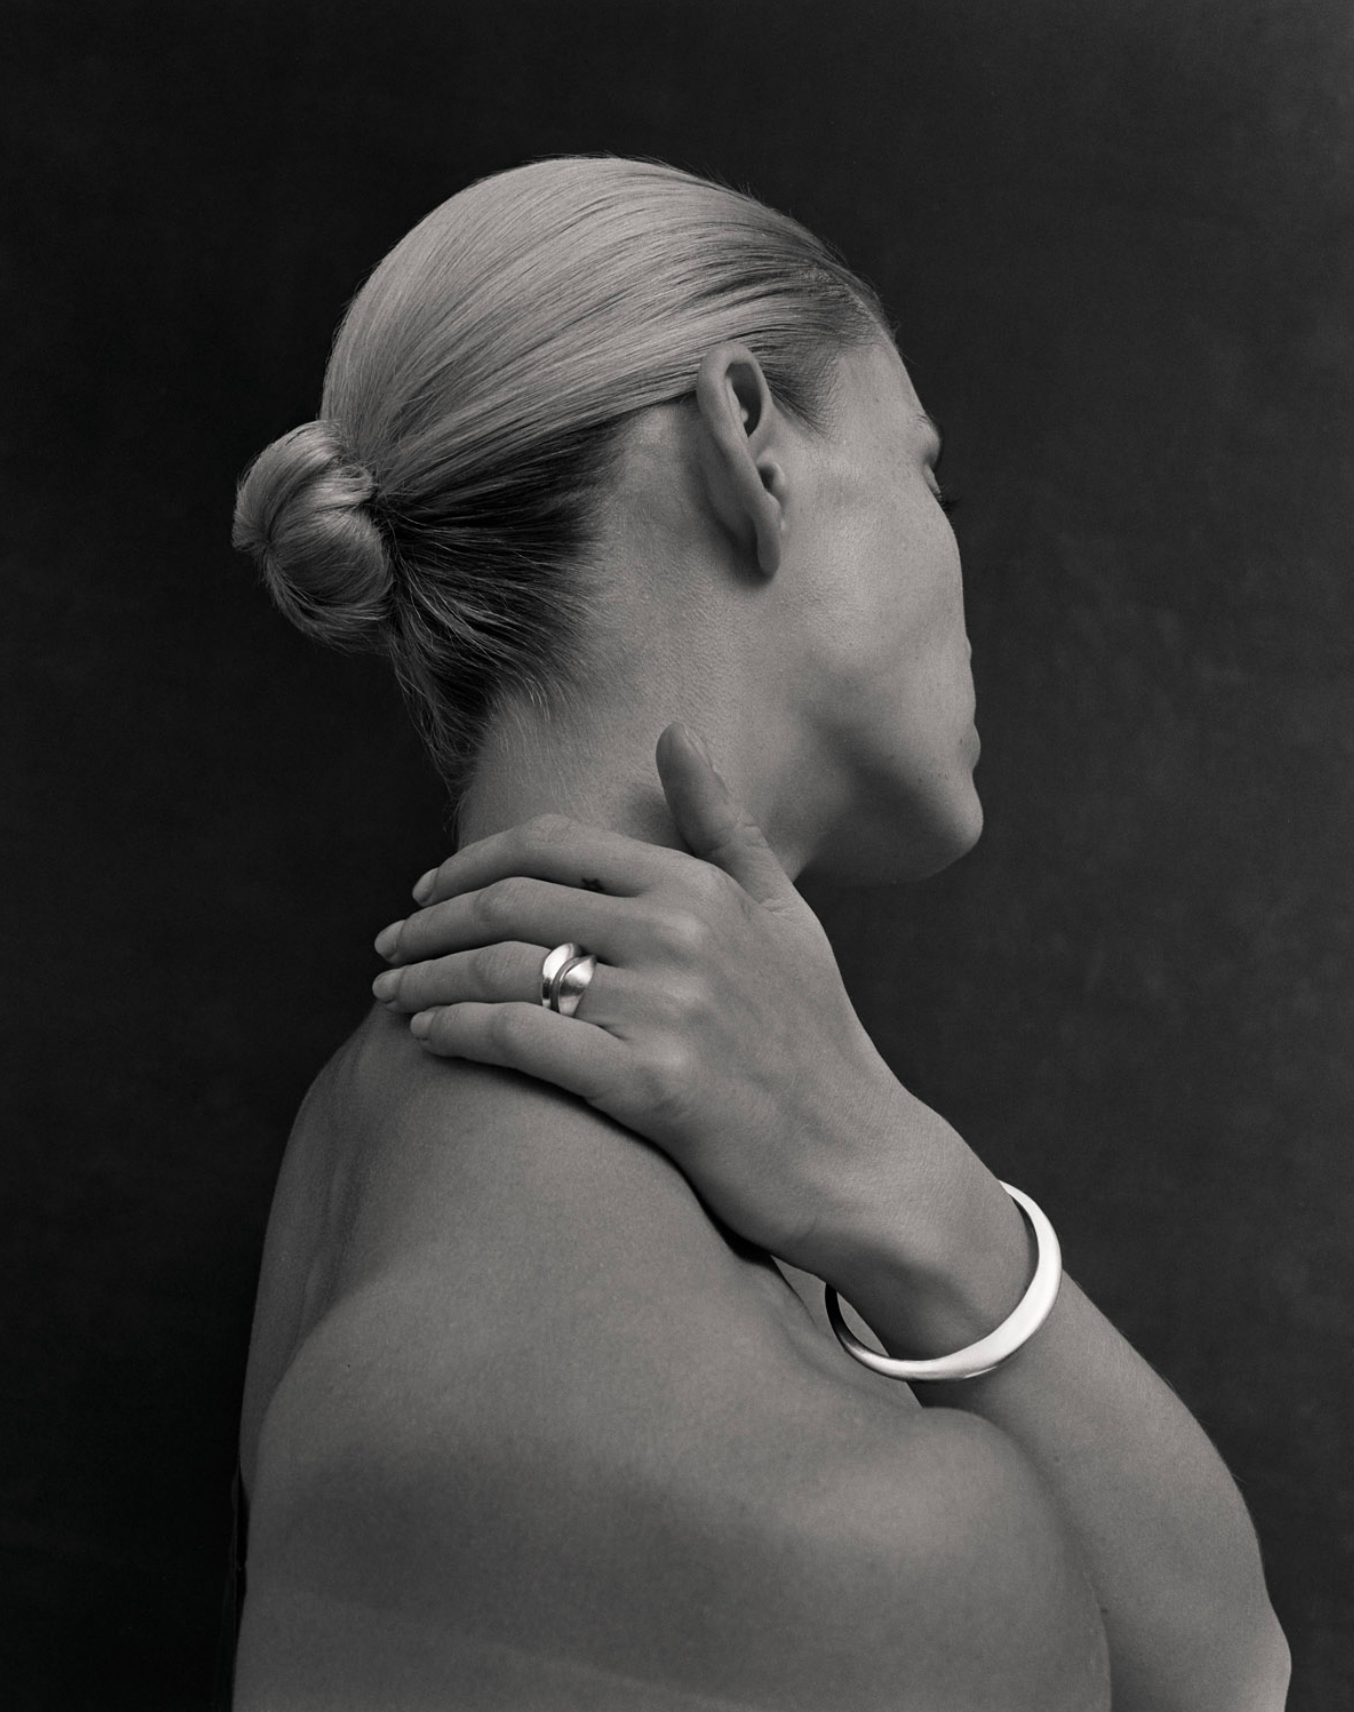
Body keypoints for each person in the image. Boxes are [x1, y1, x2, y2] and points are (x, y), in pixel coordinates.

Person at [228, 155, 1289, 1710]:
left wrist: (903, 1185)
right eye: (931, 472)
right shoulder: (832, 1513)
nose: (958, 555)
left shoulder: (371, 1142)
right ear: (750, 441)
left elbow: (1227, 1667)